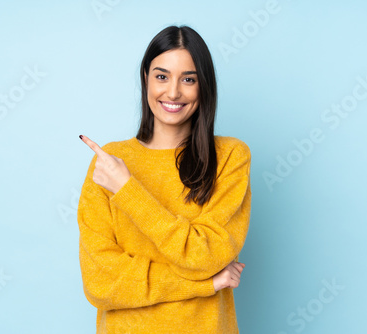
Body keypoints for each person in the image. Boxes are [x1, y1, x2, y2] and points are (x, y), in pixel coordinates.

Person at [77, 25, 251, 334]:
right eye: (161, 76)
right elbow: (101, 283)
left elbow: (205, 255)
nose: (173, 92)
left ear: (204, 86)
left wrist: (127, 190)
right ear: (145, 77)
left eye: (188, 79)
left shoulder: (229, 157)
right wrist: (204, 284)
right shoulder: (109, 164)